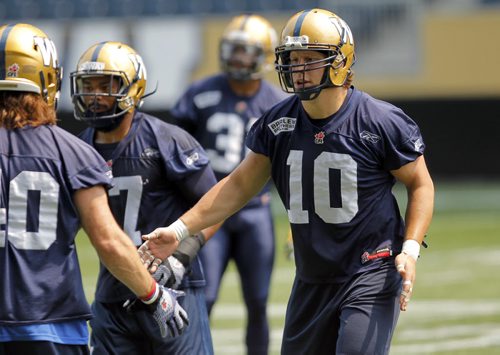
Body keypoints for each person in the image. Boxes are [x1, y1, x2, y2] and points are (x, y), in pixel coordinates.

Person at [139, 8, 435, 354]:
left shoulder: (379, 121)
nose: (298, 69)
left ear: (340, 62)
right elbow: (237, 186)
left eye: (310, 59)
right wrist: (177, 232)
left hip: (368, 269)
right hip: (312, 277)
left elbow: (421, 185)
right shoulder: (277, 122)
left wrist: (411, 249)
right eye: (292, 58)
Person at [0, 24, 187, 355]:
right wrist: (154, 295)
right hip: (51, 323)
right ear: (47, 78)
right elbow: (108, 241)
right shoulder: (71, 151)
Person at [70, 41, 219, 354]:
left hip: (174, 286)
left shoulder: (166, 139)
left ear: (132, 89)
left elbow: (215, 205)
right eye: (88, 86)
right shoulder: (79, 150)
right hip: (112, 295)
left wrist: (181, 257)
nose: (95, 96)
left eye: (105, 86)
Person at [168, 13, 288, 354]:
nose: (237, 58)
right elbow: (178, 154)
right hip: (208, 211)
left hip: (255, 211)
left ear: (263, 56)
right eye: (233, 49)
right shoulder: (199, 93)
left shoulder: (278, 103)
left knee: (258, 301)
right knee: (203, 298)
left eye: (246, 51)